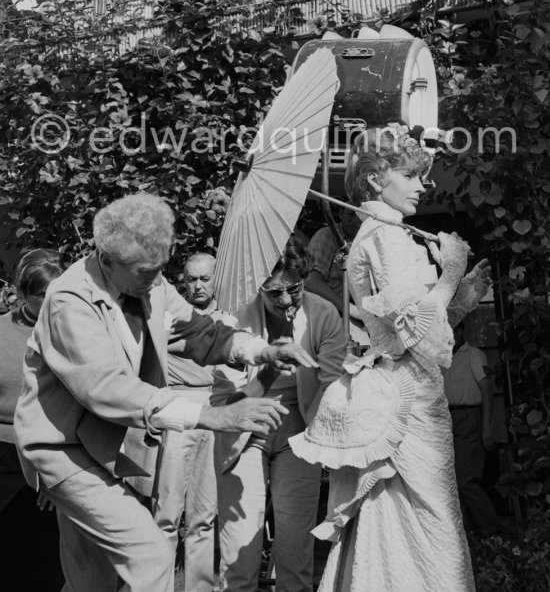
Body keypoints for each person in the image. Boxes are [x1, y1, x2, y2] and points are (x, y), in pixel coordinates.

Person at [14, 193, 318, 592]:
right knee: (152, 554)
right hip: (65, 451)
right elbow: (106, 388)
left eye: (159, 269)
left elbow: (198, 331)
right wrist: (212, 416)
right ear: (106, 260)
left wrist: (261, 350)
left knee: (93, 581)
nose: (154, 281)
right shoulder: (69, 301)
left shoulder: (149, 283)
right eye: (144, 271)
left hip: (115, 448)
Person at [290, 123, 492, 592]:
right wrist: (452, 272)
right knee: (430, 520)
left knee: (409, 517)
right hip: (409, 396)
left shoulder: (388, 234)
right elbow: (412, 333)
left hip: (411, 388)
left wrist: (463, 296)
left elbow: (420, 325)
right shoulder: (387, 237)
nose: (424, 185)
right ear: (376, 178)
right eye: (410, 174)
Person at [212, 237, 347, 592]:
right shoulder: (234, 316)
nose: (286, 300)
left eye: (294, 288)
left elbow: (330, 384)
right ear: (258, 287)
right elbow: (228, 396)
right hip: (244, 428)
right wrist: (272, 365)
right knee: (241, 542)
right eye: (274, 293)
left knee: (294, 543)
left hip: (300, 431)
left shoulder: (323, 314)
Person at [154, 252, 235, 592]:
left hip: (214, 406)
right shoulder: (171, 314)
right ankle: (156, 584)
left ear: (217, 278)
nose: (198, 285)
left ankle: (199, 587)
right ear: (183, 280)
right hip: (175, 403)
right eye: (192, 279)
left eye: (205, 278)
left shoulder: (230, 316)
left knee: (205, 512)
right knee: (166, 511)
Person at [0, 249, 65, 591]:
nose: (52, 300)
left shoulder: (75, 335)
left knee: (43, 567)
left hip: (51, 456)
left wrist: (57, 477)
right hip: (3, 457)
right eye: (42, 293)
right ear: (22, 292)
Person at [443, 320, 504, 536]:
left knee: (465, 481)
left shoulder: (473, 354)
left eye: (450, 329)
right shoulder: (441, 357)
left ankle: (491, 527)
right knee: (451, 480)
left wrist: (487, 426)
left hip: (469, 416)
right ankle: (468, 532)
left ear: (460, 331)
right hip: (447, 418)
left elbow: (486, 390)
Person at [305, 207, 361, 316]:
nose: (356, 221)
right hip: (322, 312)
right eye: (351, 214)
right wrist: (350, 309)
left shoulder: (368, 240)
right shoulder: (326, 235)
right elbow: (311, 281)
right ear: (341, 213)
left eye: (361, 216)